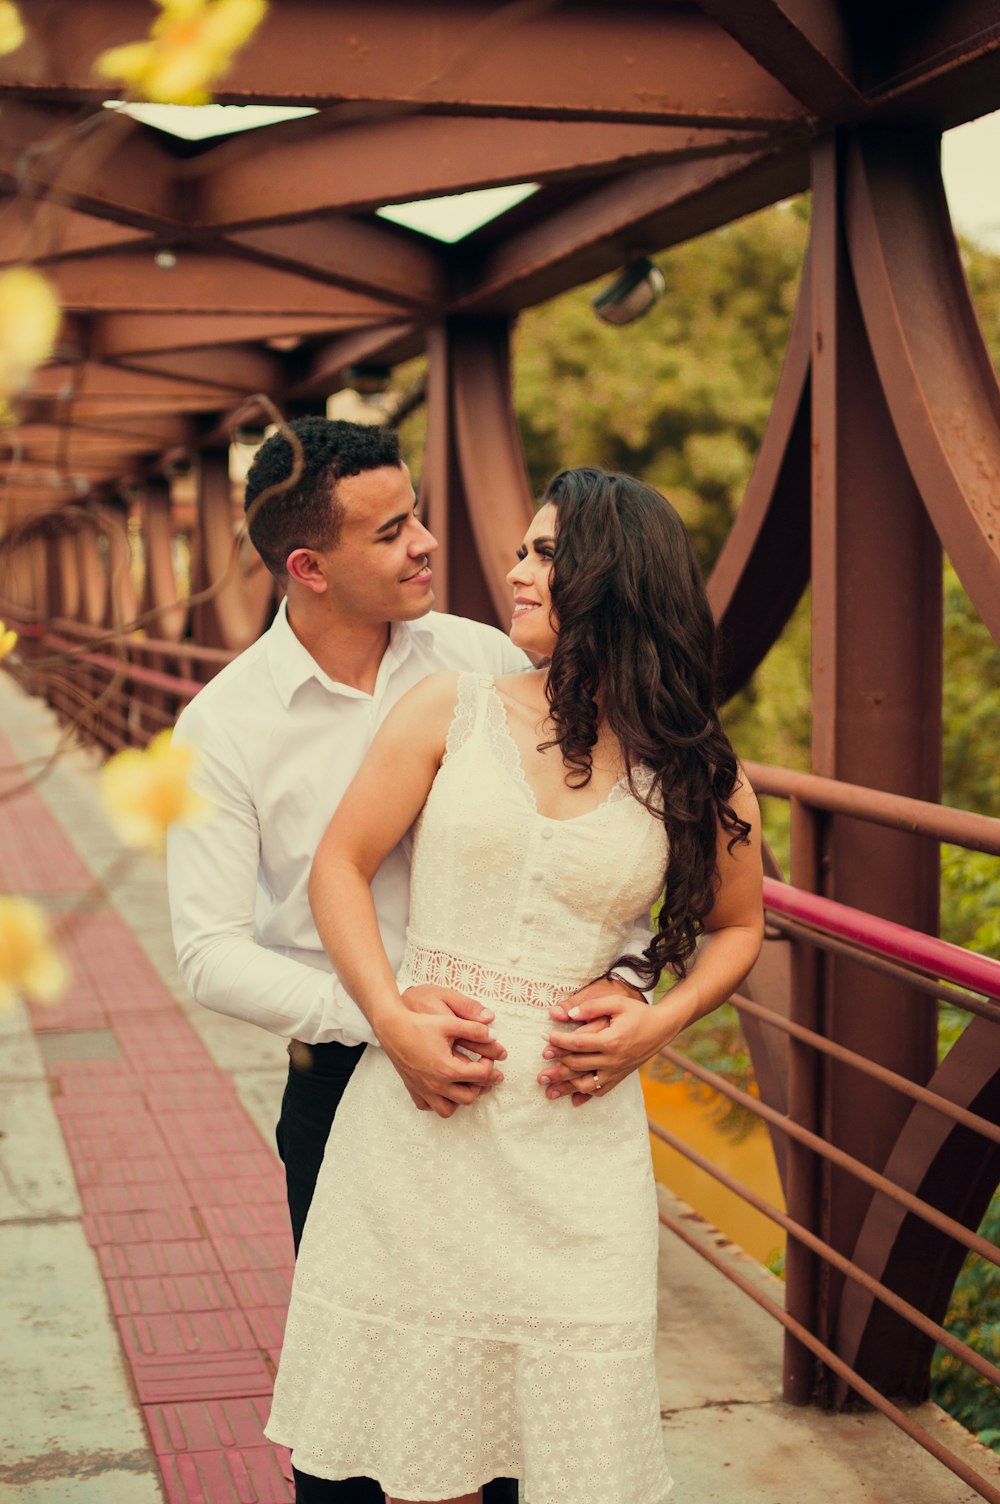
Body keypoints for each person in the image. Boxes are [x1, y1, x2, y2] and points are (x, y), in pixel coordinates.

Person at [167, 423, 650, 1504]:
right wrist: (380, 1015)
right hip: (344, 1083)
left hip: (525, 1094)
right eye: (393, 532)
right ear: (308, 566)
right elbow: (207, 953)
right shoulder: (223, 730)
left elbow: (604, 829)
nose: (430, 543)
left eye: (422, 511)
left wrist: (626, 975)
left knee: (515, 1426)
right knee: (366, 1445)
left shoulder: (484, 656)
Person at [266, 467, 765, 1503]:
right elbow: (338, 867)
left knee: (560, 1460)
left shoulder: (694, 768)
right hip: (422, 1128)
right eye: (524, 549)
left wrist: (656, 1022)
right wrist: (391, 1017)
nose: (513, 571)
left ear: (611, 578)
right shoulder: (449, 708)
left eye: (544, 554)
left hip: (573, 1144)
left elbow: (736, 924)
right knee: (415, 1462)